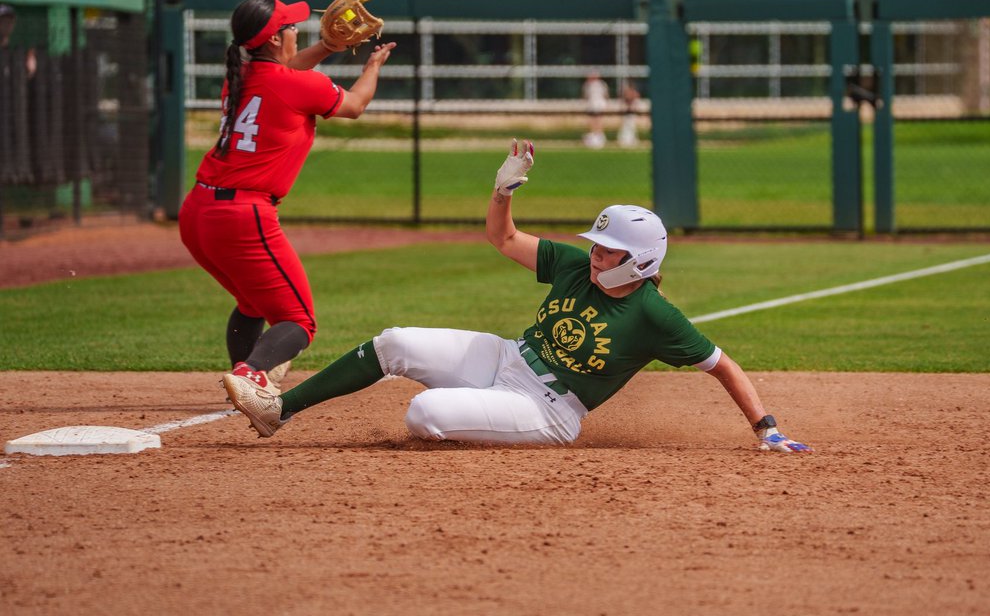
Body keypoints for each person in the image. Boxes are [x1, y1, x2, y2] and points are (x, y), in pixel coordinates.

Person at [222, 138, 812, 453]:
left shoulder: (654, 314)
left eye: (609, 251)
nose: (596, 254)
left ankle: (476, 409)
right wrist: (502, 192)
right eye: (598, 245)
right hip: (509, 357)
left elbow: (721, 364)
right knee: (395, 341)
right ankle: (280, 410)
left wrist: (766, 427)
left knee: (424, 414)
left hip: (549, 410)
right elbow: (503, 238)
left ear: (641, 262)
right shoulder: (576, 266)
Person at [180, 0, 396, 394]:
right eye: (291, 26)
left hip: (198, 211)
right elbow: (355, 105)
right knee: (299, 321)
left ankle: (243, 383)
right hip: (243, 215)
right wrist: (372, 66)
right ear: (276, 39)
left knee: (253, 304)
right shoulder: (299, 85)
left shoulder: (239, 76)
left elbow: (285, 72)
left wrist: (327, 47)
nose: (298, 30)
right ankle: (250, 375)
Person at [581, 69, 609, 149]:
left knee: (598, 119)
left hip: (598, 104)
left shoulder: (601, 84)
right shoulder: (588, 84)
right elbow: (585, 95)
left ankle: (598, 136)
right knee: (593, 120)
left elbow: (605, 95)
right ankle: (594, 135)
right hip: (592, 104)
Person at [617, 79, 640, 148]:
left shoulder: (634, 93)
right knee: (625, 126)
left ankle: (632, 140)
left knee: (632, 126)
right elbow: (624, 100)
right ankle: (624, 140)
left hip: (631, 113)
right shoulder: (626, 92)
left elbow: (635, 100)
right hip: (626, 112)